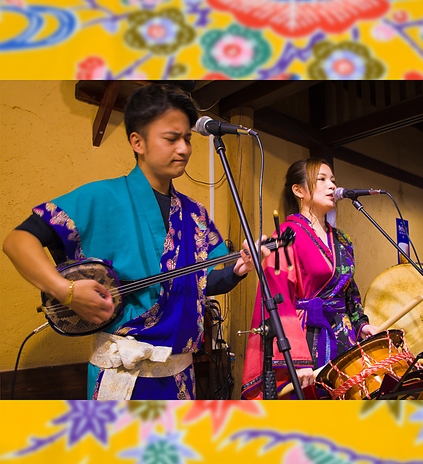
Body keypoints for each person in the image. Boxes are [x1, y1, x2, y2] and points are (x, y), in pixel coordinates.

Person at [3, 82, 268, 400]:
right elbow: (18, 241)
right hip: (121, 374)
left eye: (187, 138)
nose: (184, 148)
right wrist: (65, 290)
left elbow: (204, 282)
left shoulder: (195, 214)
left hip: (180, 373)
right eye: (171, 138)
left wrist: (239, 269)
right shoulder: (102, 196)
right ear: (137, 142)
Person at [241, 157, 377, 399]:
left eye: (333, 180)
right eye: (322, 179)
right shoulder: (285, 236)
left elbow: (349, 290)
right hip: (307, 341)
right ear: (299, 190)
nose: (332, 186)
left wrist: (361, 324)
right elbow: (279, 298)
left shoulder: (342, 240)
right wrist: (297, 357)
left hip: (342, 336)